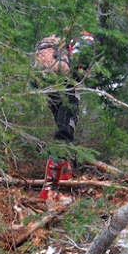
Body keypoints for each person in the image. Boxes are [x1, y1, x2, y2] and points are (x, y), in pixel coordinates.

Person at [32, 31, 95, 204]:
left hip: (49, 88)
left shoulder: (60, 42)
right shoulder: (85, 41)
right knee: (64, 136)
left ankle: (64, 175)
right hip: (67, 89)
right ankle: (50, 190)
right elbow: (81, 66)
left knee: (61, 129)